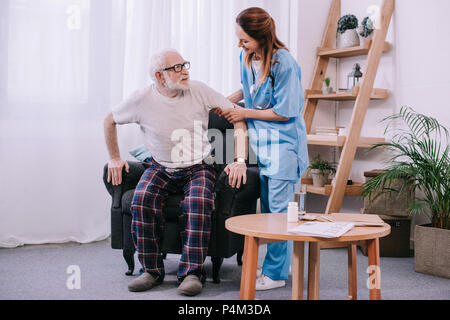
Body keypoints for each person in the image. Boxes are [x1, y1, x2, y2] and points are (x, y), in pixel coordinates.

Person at [104, 49, 248, 296]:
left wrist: (240, 159)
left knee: (199, 201)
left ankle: (192, 273)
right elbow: (109, 119)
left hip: (199, 165)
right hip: (160, 165)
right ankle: (151, 270)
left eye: (185, 64)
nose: (185, 71)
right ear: (160, 76)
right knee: (141, 201)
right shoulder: (141, 99)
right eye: (177, 67)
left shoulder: (199, 90)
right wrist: (115, 158)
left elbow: (238, 116)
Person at [219, 7, 309, 291]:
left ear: (261, 37)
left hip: (283, 145)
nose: (239, 44)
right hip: (261, 143)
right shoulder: (247, 56)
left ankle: (275, 274)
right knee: (268, 210)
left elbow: (285, 111)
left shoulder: (285, 63)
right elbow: (248, 90)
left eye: (244, 40)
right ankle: (275, 264)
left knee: (280, 214)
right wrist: (222, 101)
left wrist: (243, 113)